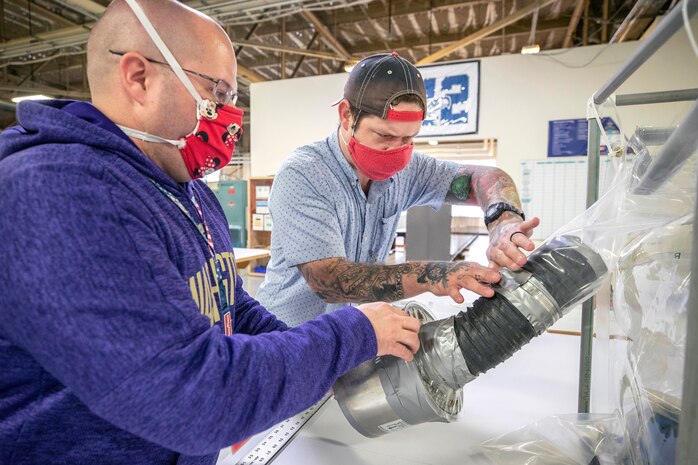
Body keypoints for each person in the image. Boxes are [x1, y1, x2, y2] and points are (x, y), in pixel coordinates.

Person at [0, 1, 421, 464]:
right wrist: (349, 334)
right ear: (139, 77)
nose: (229, 116)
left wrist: (321, 356)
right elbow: (188, 399)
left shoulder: (187, 189)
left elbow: (229, 307)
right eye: (217, 93)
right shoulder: (59, 192)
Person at [256, 53, 541, 326]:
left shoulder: (408, 171)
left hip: (346, 334)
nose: (396, 150)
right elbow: (329, 281)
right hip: (285, 337)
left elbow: (485, 177)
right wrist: (434, 275)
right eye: (384, 135)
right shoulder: (305, 173)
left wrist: (503, 219)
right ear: (346, 115)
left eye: (408, 138)